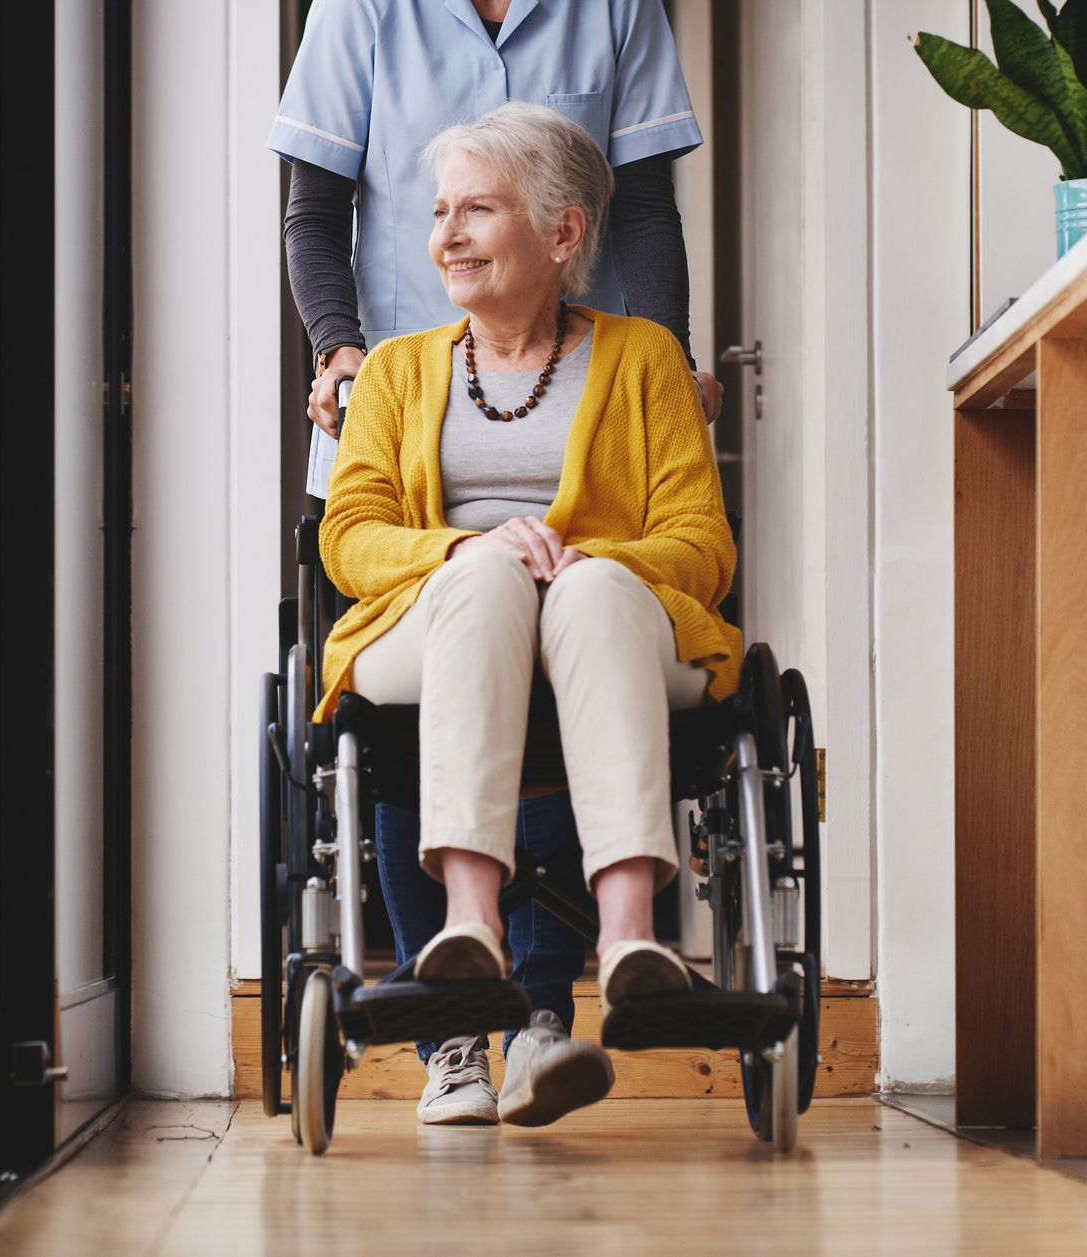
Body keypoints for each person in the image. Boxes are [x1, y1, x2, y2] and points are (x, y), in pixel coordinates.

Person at [271, 0, 723, 1127]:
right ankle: (457, 981)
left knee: (591, 592)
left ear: (564, 233)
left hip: (592, 582)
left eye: (478, 209)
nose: (447, 235)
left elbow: (652, 205)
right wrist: (341, 352)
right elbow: (315, 208)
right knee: (475, 583)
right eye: (440, 211)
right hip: (435, 572)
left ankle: (593, 971)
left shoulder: (630, 362)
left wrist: (658, 364)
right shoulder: (400, 372)